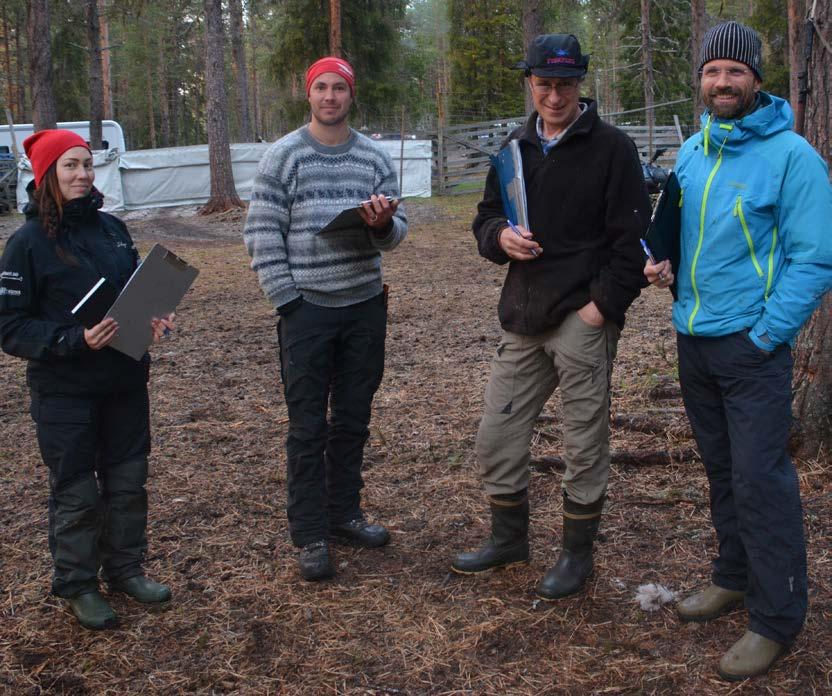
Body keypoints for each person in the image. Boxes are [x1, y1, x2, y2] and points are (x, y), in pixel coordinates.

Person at [644, 21, 832, 681]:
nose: (722, 82)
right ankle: (731, 576)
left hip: (752, 350)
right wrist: (663, 266)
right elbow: (683, 235)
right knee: (722, 472)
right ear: (701, 79)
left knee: (763, 482)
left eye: (735, 71)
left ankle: (777, 620)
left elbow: (813, 260)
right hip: (693, 341)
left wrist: (764, 335)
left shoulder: (793, 158)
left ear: (756, 79)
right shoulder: (694, 152)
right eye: (713, 71)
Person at [452, 34, 651, 601]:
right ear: (530, 84)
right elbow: (486, 217)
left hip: (582, 318)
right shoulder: (514, 147)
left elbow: (633, 240)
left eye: (565, 85)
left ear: (580, 85)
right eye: (545, 84)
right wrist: (500, 238)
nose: (555, 96)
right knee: (497, 434)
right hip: (524, 314)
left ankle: (575, 555)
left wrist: (600, 310)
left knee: (582, 441)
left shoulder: (612, 148)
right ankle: (509, 539)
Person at [0, 130, 175, 630]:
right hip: (65, 393)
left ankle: (125, 569)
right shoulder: (26, 244)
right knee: (77, 492)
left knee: (127, 482)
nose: (81, 175)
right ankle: (78, 584)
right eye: (69, 166)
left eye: (86, 164)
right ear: (46, 175)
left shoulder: (113, 229)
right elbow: (10, 327)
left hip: (123, 378)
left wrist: (155, 314)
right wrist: (75, 339)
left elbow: (136, 287)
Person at [244, 56, 407, 581]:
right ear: (307, 94)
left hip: (363, 306)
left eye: (339, 88)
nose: (331, 97)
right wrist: (286, 300)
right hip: (307, 310)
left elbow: (398, 231)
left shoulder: (374, 158)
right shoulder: (284, 157)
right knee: (307, 425)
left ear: (350, 95)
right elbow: (262, 232)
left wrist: (382, 225)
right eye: (322, 88)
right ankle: (310, 532)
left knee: (353, 420)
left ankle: (344, 514)